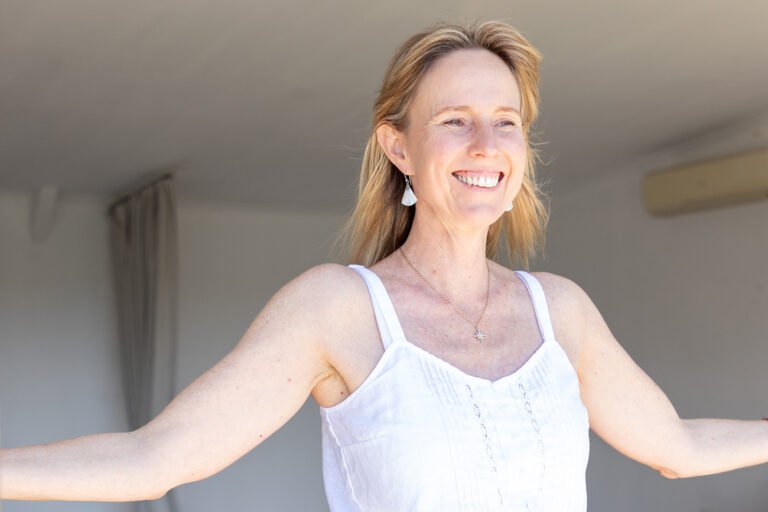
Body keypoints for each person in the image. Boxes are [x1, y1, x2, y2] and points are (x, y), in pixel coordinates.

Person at [1, 19, 767, 512]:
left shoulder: (558, 311)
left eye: (506, 123)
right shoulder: (337, 311)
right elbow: (152, 459)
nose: (484, 145)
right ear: (398, 145)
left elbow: (678, 448)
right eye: (454, 121)